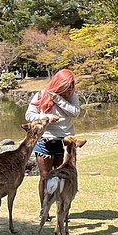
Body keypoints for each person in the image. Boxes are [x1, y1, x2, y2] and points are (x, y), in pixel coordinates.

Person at [25, 68, 81, 207]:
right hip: (46, 140)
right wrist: (46, 117)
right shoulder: (41, 95)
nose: (69, 91)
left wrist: (58, 99)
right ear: (58, 84)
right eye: (66, 88)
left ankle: (61, 208)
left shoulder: (72, 96)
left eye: (70, 88)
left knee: (64, 177)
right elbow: (29, 116)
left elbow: (75, 113)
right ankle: (44, 209)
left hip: (66, 142)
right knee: (45, 176)